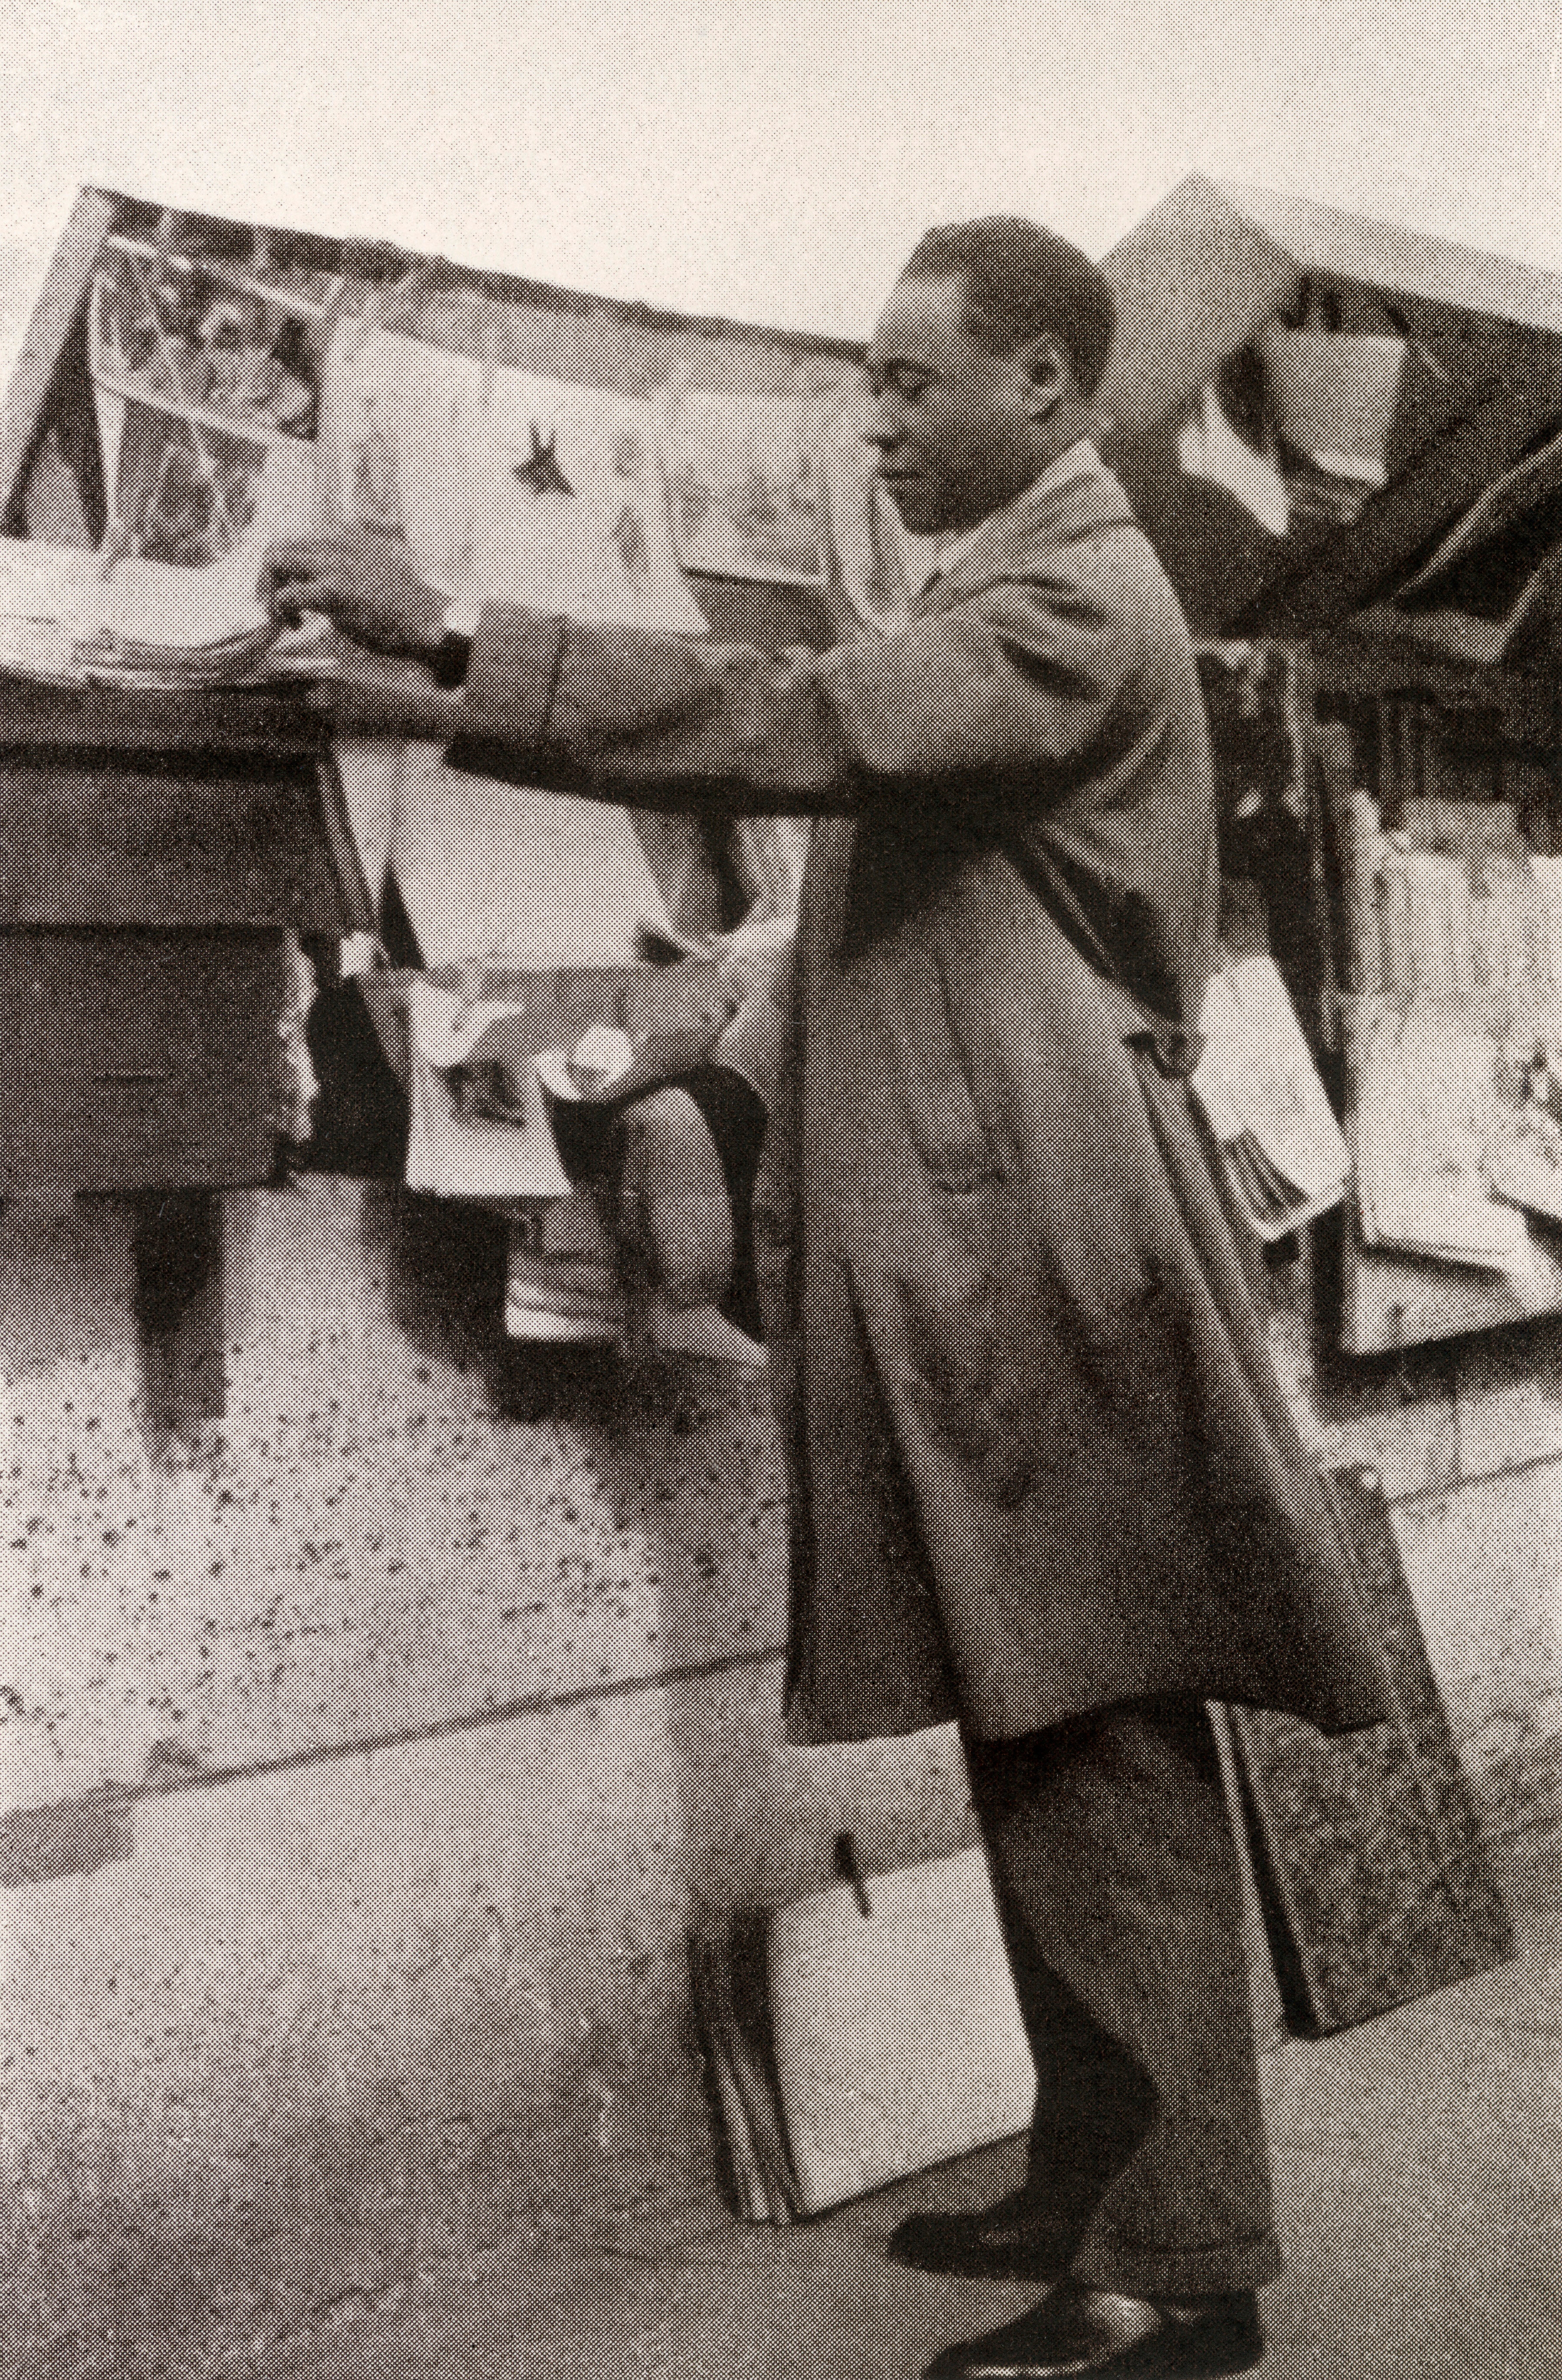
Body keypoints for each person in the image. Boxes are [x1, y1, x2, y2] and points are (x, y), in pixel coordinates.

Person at [266, 218, 1385, 2380]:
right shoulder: (1002, 583)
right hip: (1000, 1236)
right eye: (868, 380)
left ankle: (1184, 2270)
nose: (873, 418)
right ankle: (1096, 2181)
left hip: (1051, 1247)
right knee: (1033, 1712)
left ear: (1048, 387)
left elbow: (798, 719)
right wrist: (696, 1054)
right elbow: (879, 922)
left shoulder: (1069, 593)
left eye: (910, 379)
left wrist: (472, 634)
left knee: (1097, 1727)